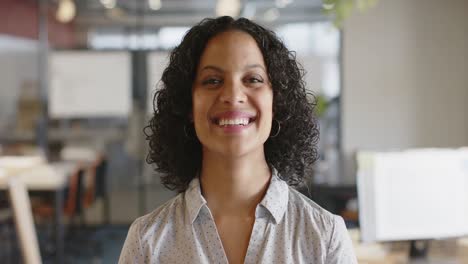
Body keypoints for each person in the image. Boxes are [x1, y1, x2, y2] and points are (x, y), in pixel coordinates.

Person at [119, 16, 357, 264]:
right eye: (213, 81)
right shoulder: (147, 241)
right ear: (188, 105)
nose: (233, 96)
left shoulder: (323, 236)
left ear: (276, 103)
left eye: (253, 79)